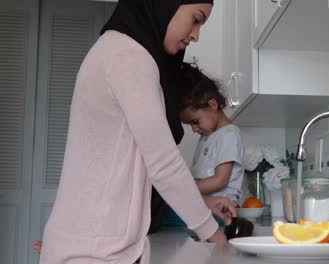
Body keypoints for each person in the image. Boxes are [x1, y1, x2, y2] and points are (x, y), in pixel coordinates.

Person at [39, 0, 236, 263]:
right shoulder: (128, 56)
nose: (195, 35)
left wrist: (204, 205)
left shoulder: (120, 51)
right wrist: (215, 236)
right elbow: (163, 164)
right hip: (93, 253)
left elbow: (135, 169)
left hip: (96, 246)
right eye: (196, 19)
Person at [177, 62, 244, 203]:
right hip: (205, 204)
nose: (194, 129)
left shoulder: (229, 135)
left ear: (212, 105)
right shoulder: (207, 134)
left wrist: (183, 190)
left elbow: (220, 181)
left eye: (195, 122)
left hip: (222, 207)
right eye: (189, 125)